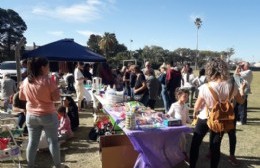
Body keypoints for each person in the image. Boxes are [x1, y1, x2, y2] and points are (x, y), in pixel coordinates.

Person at [189, 58, 245, 168]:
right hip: (220, 119)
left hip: (205, 117)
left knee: (195, 144)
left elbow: (197, 107)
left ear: (210, 70)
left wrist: (196, 111)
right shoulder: (232, 86)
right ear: (224, 69)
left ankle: (192, 166)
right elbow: (241, 101)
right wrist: (242, 90)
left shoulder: (205, 87)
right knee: (215, 147)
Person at [19, 57, 62, 168]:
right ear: (42, 68)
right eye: (48, 66)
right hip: (47, 114)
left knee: (32, 142)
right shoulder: (48, 81)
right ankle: (57, 165)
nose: (49, 68)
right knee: (53, 142)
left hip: (31, 115)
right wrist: (56, 87)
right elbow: (56, 98)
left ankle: (30, 165)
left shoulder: (26, 81)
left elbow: (21, 97)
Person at [167, 88, 191, 161]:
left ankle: (181, 154)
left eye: (187, 96)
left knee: (183, 141)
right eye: (184, 96)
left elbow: (187, 117)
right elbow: (169, 114)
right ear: (179, 96)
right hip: (176, 127)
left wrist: (192, 121)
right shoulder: (174, 105)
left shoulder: (186, 106)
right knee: (180, 141)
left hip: (183, 127)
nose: (186, 98)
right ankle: (180, 154)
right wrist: (166, 116)